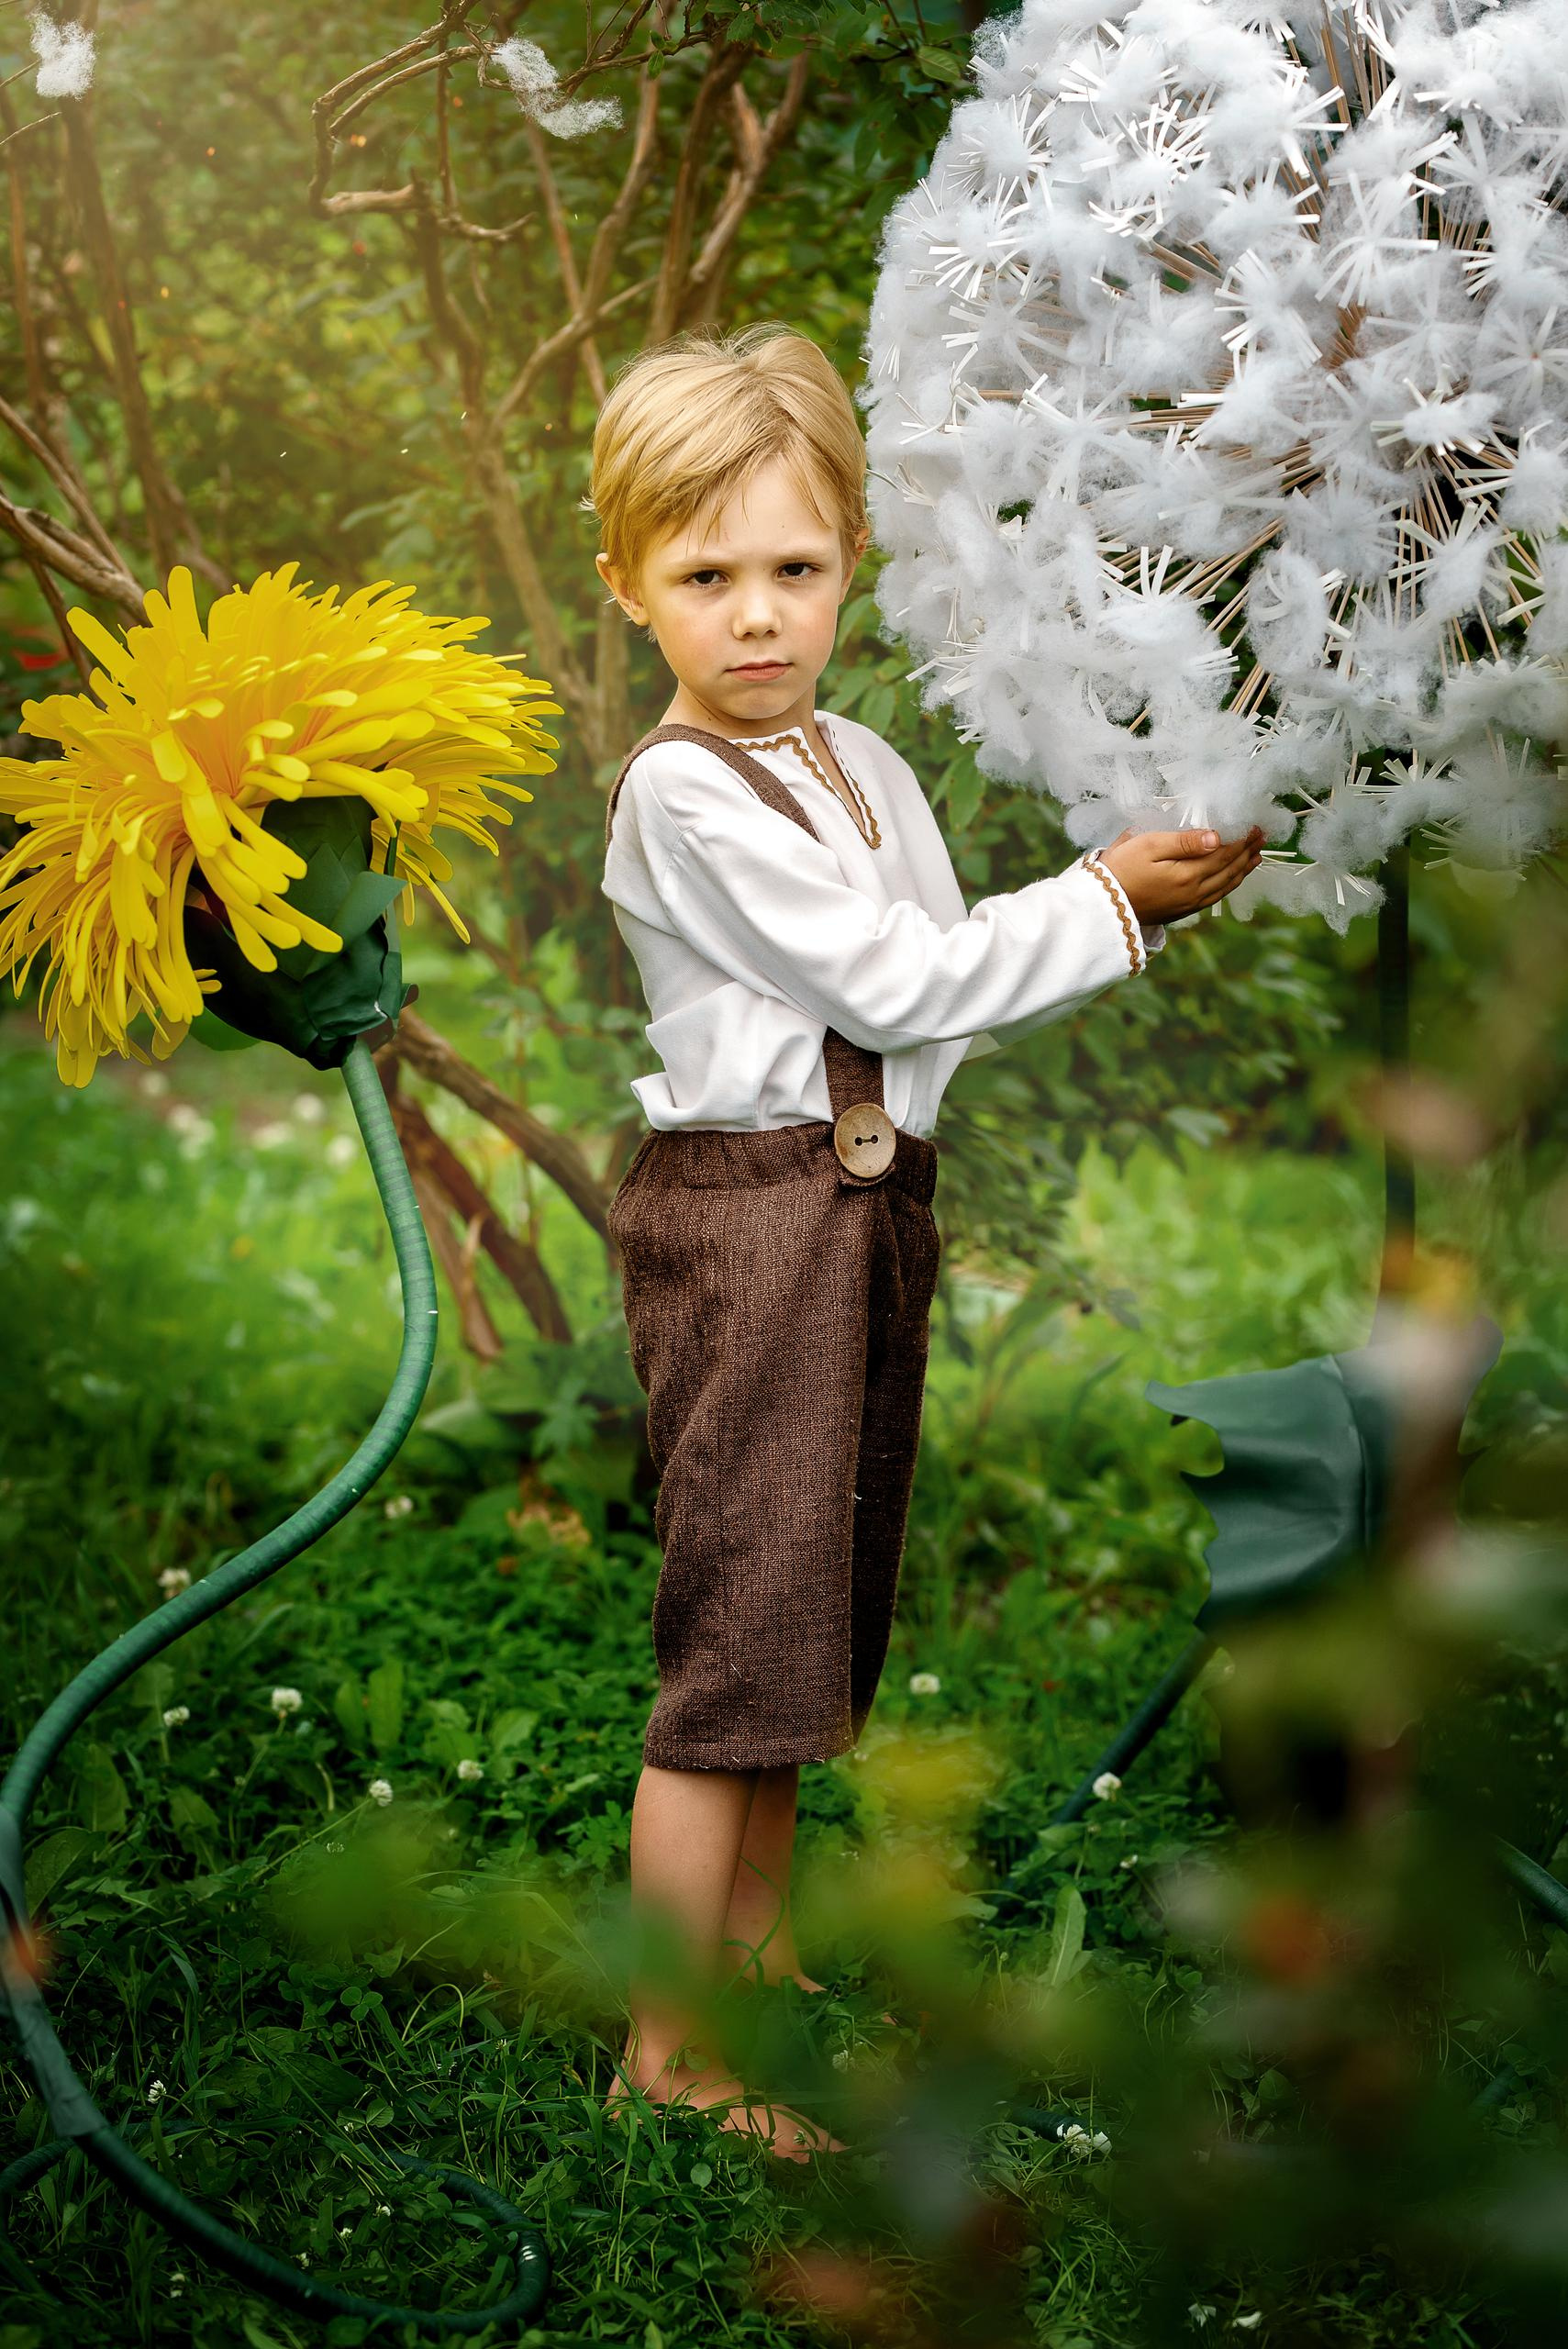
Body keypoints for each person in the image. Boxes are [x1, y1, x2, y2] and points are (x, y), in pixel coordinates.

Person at [588, 322, 1262, 2161]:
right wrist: (1102, 905)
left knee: (811, 1610)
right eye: (704, 575)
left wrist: (1126, 902)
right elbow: (889, 974)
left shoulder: (862, 760)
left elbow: (942, 1008)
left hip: (869, 1204)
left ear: (848, 567)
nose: (755, 616)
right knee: (735, 1638)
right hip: (746, 1226)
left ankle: (762, 1956)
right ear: (629, 582)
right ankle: (669, 2050)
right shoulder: (685, 793)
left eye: (794, 569)